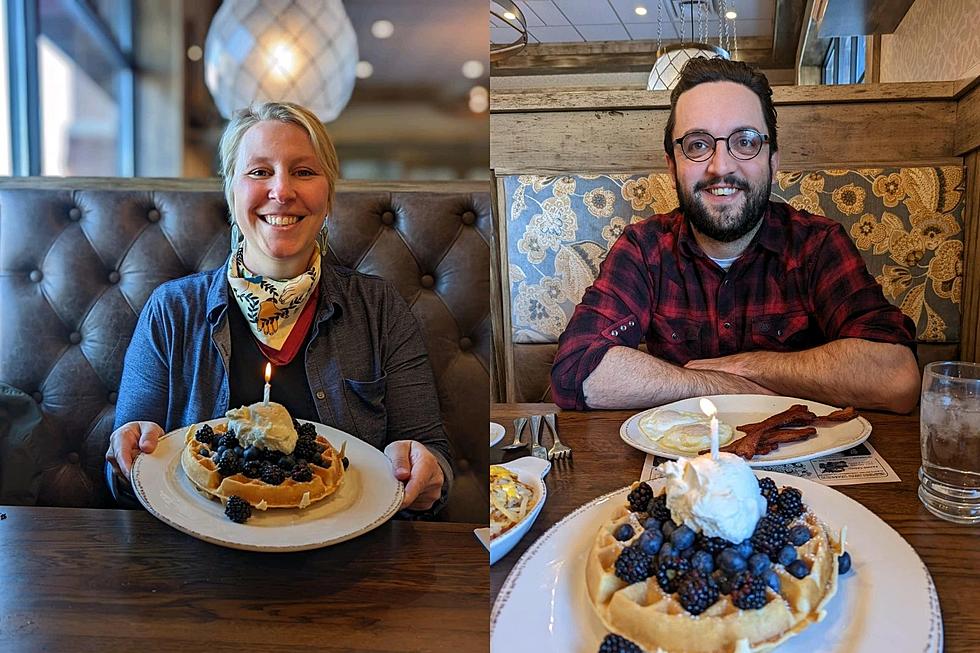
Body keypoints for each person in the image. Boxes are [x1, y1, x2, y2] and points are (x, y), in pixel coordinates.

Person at [105, 101, 450, 513]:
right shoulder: (172, 311)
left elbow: (431, 456)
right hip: (198, 560)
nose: (282, 192)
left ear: (328, 194)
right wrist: (128, 458)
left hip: (350, 558)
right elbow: (124, 479)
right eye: (259, 172)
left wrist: (427, 471)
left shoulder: (379, 309)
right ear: (232, 191)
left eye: (304, 172)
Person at [551, 58, 920, 413]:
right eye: (697, 145)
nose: (721, 166)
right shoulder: (643, 248)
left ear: (772, 161)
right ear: (671, 165)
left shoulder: (818, 244)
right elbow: (577, 370)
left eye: (745, 142)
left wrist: (747, 366)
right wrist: (735, 389)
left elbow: (896, 378)